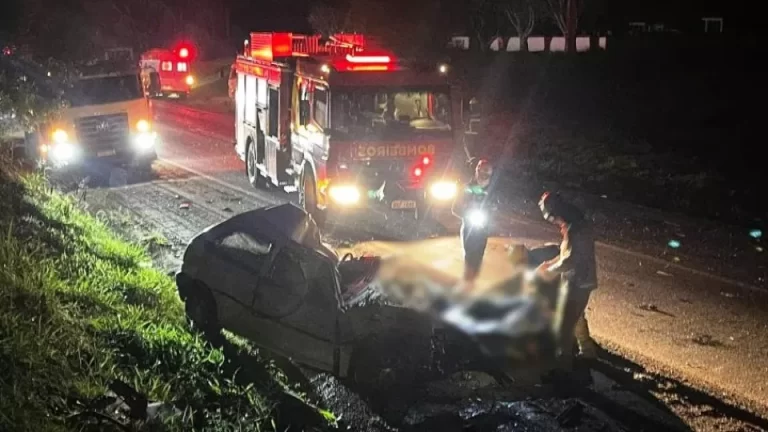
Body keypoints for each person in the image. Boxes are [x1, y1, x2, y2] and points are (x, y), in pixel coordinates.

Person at [536, 191, 599, 376]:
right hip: (583, 280)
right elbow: (567, 254)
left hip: (577, 282)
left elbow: (570, 260)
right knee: (577, 318)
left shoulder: (575, 230)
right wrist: (550, 262)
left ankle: (562, 368)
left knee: (564, 326)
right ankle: (588, 353)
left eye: (553, 219)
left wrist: (550, 270)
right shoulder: (578, 225)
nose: (555, 223)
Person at [452, 159, 497, 288]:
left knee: (478, 255)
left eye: (487, 174)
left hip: (483, 228)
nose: (484, 176)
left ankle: (473, 280)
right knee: (469, 254)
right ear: (477, 171)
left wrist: (491, 215)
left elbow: (496, 208)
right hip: (468, 226)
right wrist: (466, 214)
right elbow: (455, 208)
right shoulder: (466, 188)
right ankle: (467, 280)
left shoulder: (492, 191)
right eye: (482, 172)